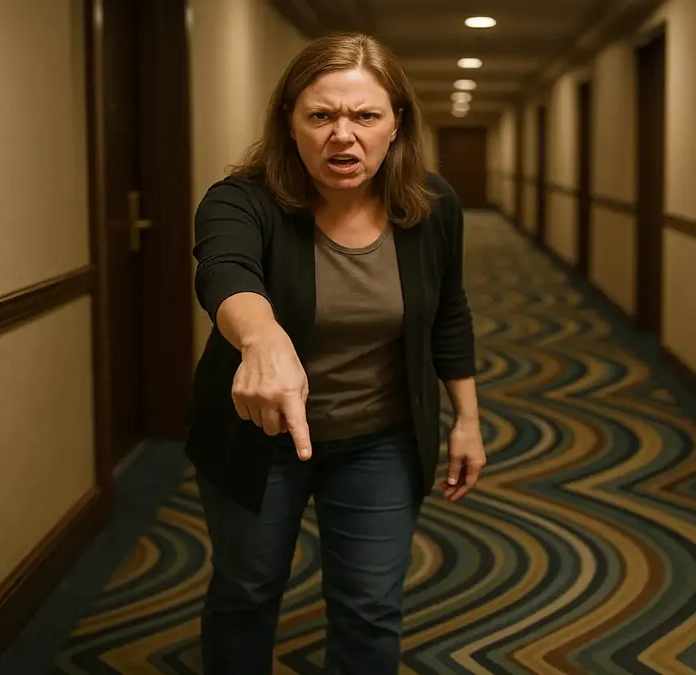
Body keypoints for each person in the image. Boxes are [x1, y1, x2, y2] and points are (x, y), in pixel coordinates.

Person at [184, 32, 486, 675]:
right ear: (289, 123)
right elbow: (225, 270)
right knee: (247, 591)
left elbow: (449, 313)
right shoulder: (241, 201)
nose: (342, 135)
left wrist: (467, 418)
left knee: (370, 605)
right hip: (256, 434)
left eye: (365, 116)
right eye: (321, 115)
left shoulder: (432, 206)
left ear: (395, 124)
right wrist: (261, 336)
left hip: (381, 436)